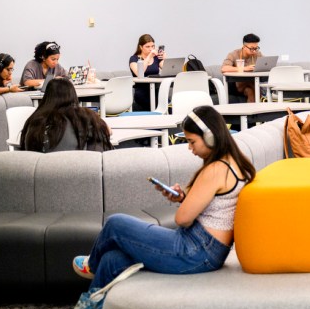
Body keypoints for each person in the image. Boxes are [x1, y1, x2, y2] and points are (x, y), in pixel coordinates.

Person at [69, 106, 254, 293]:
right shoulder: (235, 162)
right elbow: (214, 204)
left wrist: (185, 203)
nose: (190, 148)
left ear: (210, 137)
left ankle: (91, 265)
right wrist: (182, 197)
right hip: (211, 251)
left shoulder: (215, 170)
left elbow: (182, 219)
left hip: (195, 249)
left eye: (192, 142)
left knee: (115, 224)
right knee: (112, 259)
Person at [19, 78, 111, 153]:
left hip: (38, 172)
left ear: (47, 97)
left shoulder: (34, 119)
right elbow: (107, 131)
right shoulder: (84, 115)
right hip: (73, 170)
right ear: (72, 95)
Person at [220, 33, 262, 103]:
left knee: (258, 90)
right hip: (238, 85)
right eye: (251, 48)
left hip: (253, 82)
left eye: (256, 48)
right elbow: (224, 68)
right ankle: (251, 113)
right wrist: (244, 69)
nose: (254, 51)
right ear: (244, 46)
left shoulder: (257, 54)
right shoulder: (234, 54)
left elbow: (265, 64)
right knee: (251, 91)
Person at [129, 34, 165, 111]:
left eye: (153, 46)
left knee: (164, 101)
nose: (151, 49)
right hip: (142, 92)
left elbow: (166, 69)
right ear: (141, 47)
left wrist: (164, 59)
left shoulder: (156, 58)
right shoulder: (134, 59)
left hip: (157, 89)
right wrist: (149, 57)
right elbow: (139, 73)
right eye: (147, 47)